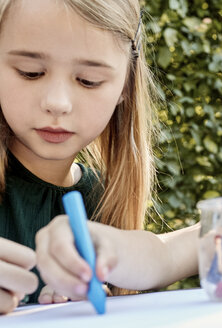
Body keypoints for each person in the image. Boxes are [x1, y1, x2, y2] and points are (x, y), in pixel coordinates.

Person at [0, 0, 161, 312]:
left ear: (125, 85)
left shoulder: (104, 203)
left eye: (88, 80)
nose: (57, 103)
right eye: (30, 73)